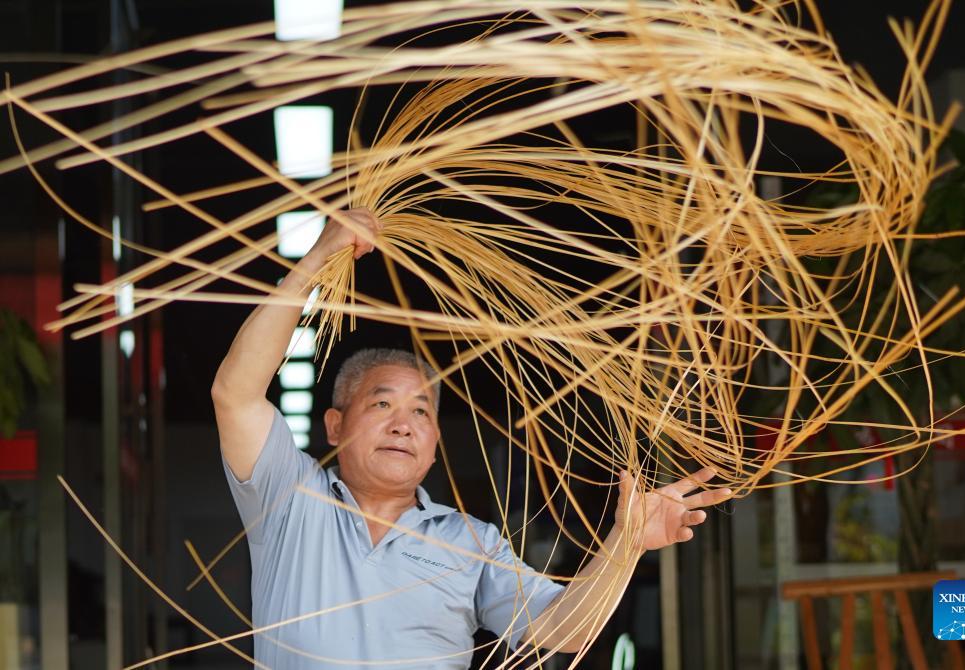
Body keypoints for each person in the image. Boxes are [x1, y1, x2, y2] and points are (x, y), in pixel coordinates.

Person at [212, 208, 732, 669]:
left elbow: (562, 630)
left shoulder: (471, 543)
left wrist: (627, 545)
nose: (403, 424)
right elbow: (235, 393)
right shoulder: (289, 497)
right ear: (334, 425)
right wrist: (317, 258)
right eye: (381, 404)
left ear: (435, 439)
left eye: (422, 411)